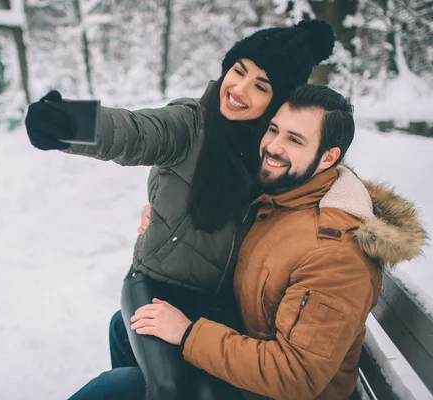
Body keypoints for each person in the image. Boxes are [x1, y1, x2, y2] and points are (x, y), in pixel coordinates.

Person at [26, 20, 337, 399]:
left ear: (277, 101)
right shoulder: (190, 124)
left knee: (204, 391)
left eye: (261, 86)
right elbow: (135, 131)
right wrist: (69, 124)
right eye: (238, 71)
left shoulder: (270, 156)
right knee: (168, 386)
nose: (239, 89)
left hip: (216, 306)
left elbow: (318, 172)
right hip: (155, 284)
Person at [126, 84, 427, 399]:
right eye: (273, 130)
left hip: (269, 391)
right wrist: (167, 217)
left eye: (294, 139)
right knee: (126, 329)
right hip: (244, 358)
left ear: (328, 157)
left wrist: (187, 334)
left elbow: (294, 376)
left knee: (116, 386)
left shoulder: (336, 256)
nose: (272, 146)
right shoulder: (285, 196)